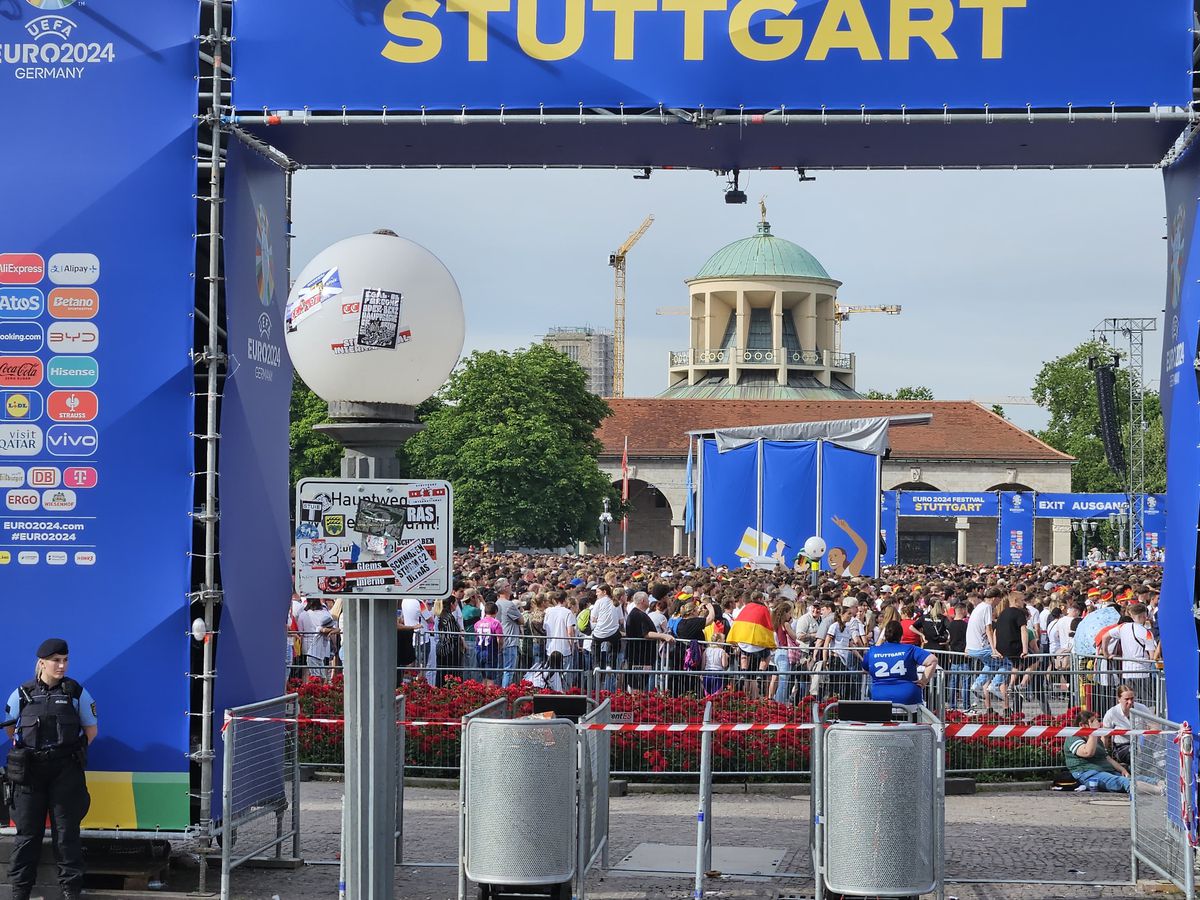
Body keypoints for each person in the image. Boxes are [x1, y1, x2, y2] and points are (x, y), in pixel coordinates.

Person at [5, 639, 98, 900]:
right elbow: (11, 730)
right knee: (26, 835)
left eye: (65, 660)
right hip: (30, 774)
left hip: (64, 772)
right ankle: (19, 892)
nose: (62, 665)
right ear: (42, 662)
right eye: (56, 660)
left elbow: (91, 731)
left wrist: (66, 754)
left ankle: (71, 892)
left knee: (67, 834)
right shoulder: (22, 694)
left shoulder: (75, 692)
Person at [862, 620, 937, 706]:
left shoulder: (873, 651)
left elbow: (865, 669)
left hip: (880, 698)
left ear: (885, 636)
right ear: (901, 636)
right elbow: (932, 660)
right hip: (908, 698)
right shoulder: (910, 649)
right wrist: (924, 681)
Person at [1064, 709, 1129, 792]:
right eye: (1092, 721)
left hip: (1106, 771)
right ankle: (1143, 796)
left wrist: (1122, 770)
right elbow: (1088, 752)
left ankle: (1149, 789)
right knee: (1123, 782)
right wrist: (1093, 732)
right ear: (1082, 725)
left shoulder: (1095, 739)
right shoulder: (1073, 737)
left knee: (1138, 779)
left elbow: (1107, 758)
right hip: (1088, 773)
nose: (1097, 723)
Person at [1103, 684, 1152, 765]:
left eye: (1132, 698)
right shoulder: (1112, 713)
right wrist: (1105, 755)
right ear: (1119, 699)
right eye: (1126, 699)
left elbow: (1155, 725)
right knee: (1136, 756)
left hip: (1141, 744)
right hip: (1122, 746)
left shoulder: (1141, 708)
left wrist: (1146, 736)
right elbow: (1105, 736)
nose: (1130, 702)